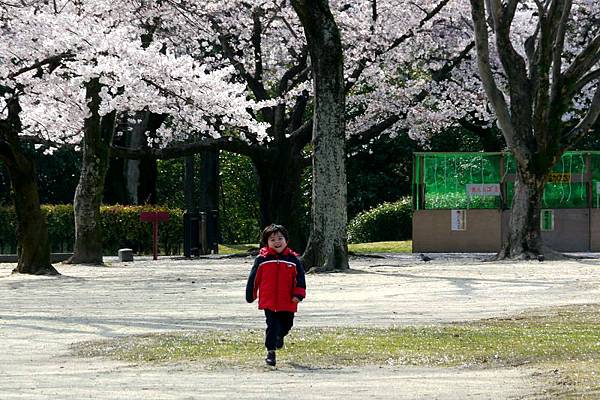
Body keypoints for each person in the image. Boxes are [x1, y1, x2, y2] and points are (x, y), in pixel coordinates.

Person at [245, 224, 306, 367]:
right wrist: (250, 295)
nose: (277, 242)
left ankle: (280, 336)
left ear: (286, 240)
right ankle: (271, 352)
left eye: (280, 238)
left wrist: (298, 294)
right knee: (271, 326)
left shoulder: (293, 260)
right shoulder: (262, 260)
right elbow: (254, 279)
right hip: (269, 301)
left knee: (286, 324)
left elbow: (300, 279)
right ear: (266, 242)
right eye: (272, 239)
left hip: (288, 301)